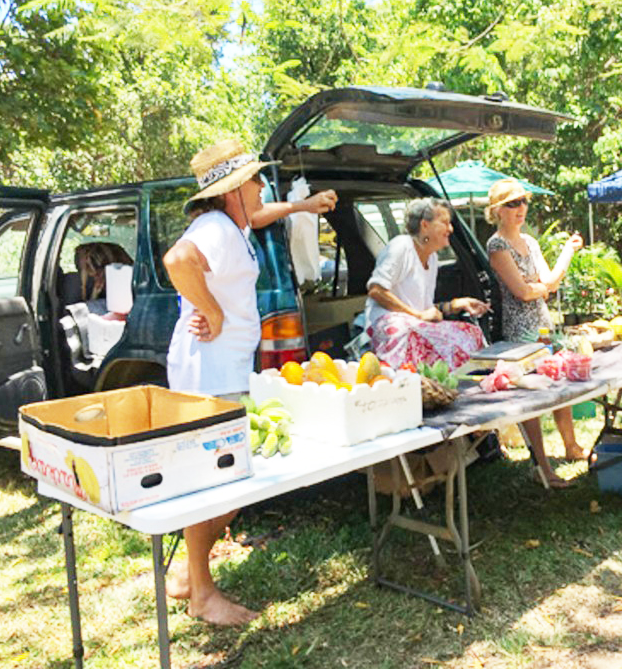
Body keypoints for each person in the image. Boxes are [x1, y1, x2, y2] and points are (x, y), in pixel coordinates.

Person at [162, 137, 336, 624]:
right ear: (233, 189)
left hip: (224, 367)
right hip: (210, 372)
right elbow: (178, 260)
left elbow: (259, 216)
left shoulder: (233, 224)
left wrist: (302, 206)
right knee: (215, 484)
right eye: (255, 179)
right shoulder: (216, 228)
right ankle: (201, 594)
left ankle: (186, 574)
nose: (261, 185)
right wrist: (212, 311)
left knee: (230, 483)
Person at [485, 179, 585, 485]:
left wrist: (567, 251)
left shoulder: (530, 242)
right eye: (512, 203)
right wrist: (540, 288)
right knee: (531, 397)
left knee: (560, 382)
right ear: (497, 210)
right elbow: (522, 292)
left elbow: (549, 282)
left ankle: (571, 447)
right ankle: (542, 466)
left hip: (542, 324)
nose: (521, 208)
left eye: (523, 201)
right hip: (518, 331)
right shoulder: (497, 246)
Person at [365, 198, 490, 369]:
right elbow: (376, 290)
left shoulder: (432, 257)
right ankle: (410, 378)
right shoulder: (401, 247)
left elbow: (426, 311)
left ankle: (462, 379)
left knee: (470, 332)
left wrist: (454, 305)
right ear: (425, 225)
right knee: (414, 333)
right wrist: (417, 315)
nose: (450, 229)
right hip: (390, 325)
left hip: (415, 323)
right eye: (444, 222)